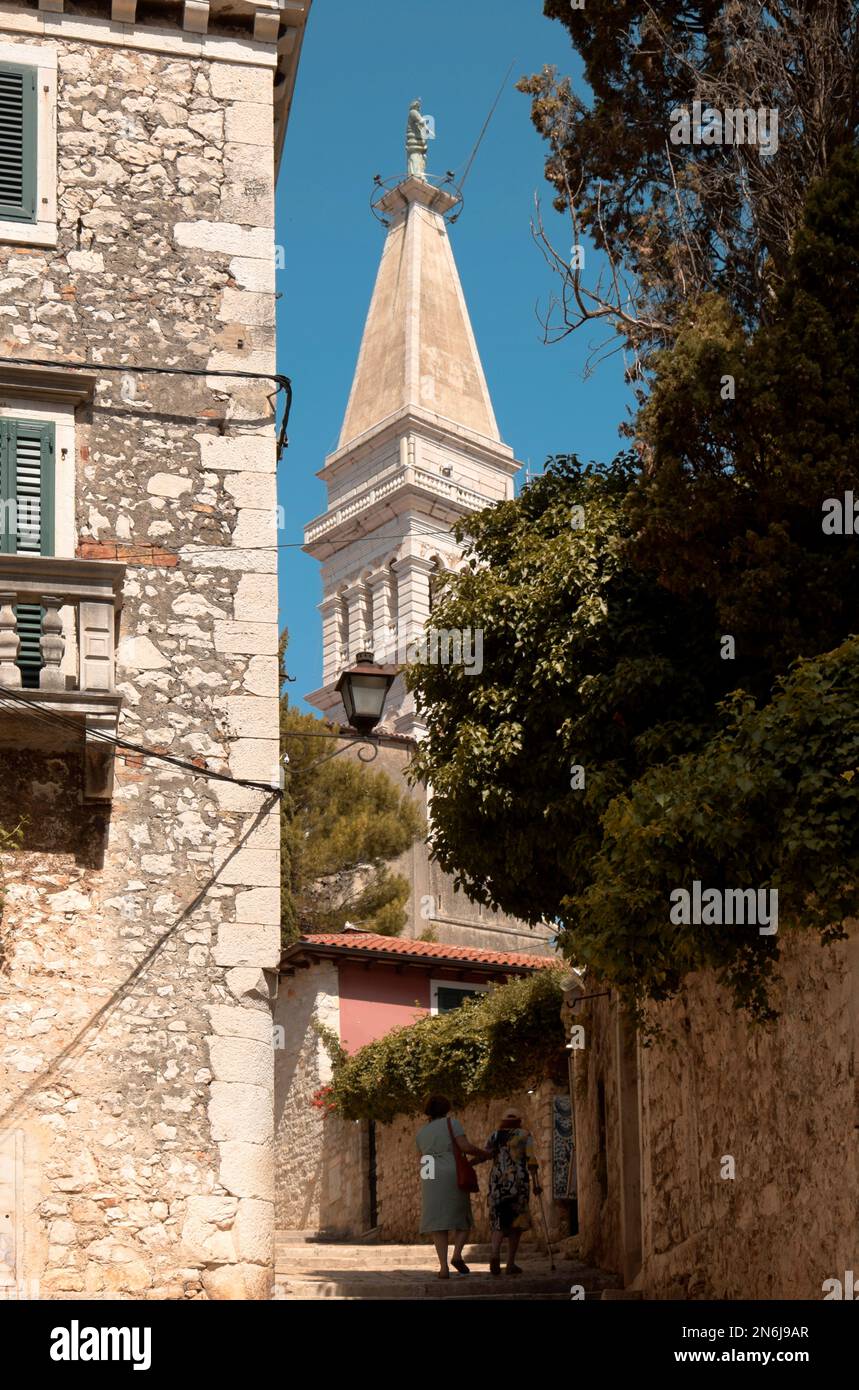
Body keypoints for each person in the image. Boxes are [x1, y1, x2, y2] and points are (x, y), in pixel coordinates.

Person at [415, 1095, 489, 1279]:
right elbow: (464, 1146)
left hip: (429, 1175)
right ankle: (456, 1255)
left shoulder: (421, 1133)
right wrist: (484, 1153)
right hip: (452, 1172)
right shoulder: (452, 1123)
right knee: (462, 1217)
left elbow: (422, 1158)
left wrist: (428, 1178)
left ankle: (443, 1268)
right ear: (446, 1109)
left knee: (438, 1224)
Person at [480, 1108, 542, 1276]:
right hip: (519, 1184)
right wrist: (536, 1183)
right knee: (516, 1223)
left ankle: (494, 1254)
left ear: (503, 1121)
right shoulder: (524, 1135)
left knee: (499, 1220)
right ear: (519, 1120)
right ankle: (510, 1264)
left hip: (498, 1184)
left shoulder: (494, 1136)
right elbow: (531, 1160)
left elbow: (485, 1155)